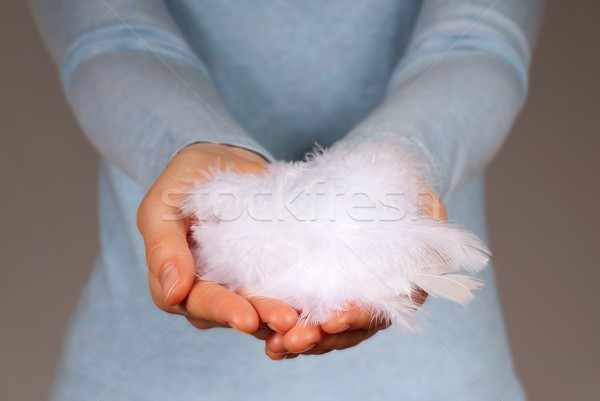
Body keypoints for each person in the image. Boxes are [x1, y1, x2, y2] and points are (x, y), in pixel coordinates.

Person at [28, 0, 545, 399]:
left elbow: (479, 37)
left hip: (432, 379)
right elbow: (108, 30)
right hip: (142, 377)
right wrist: (192, 148)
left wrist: (388, 171)